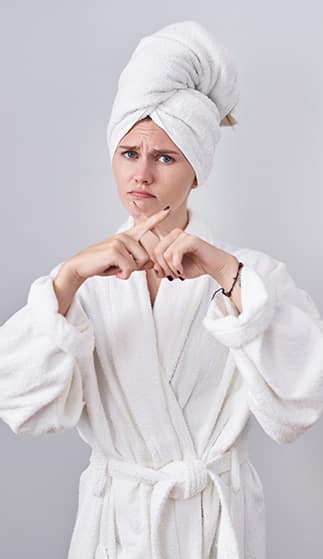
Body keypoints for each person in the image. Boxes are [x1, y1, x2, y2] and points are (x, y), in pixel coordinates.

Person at [1, 19, 323, 559]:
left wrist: (227, 274)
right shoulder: (79, 283)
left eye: (165, 157)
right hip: (116, 528)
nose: (142, 175)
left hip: (214, 529)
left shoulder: (253, 277)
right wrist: (67, 279)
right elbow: (19, 407)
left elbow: (300, 404)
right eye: (129, 153)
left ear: (196, 171)